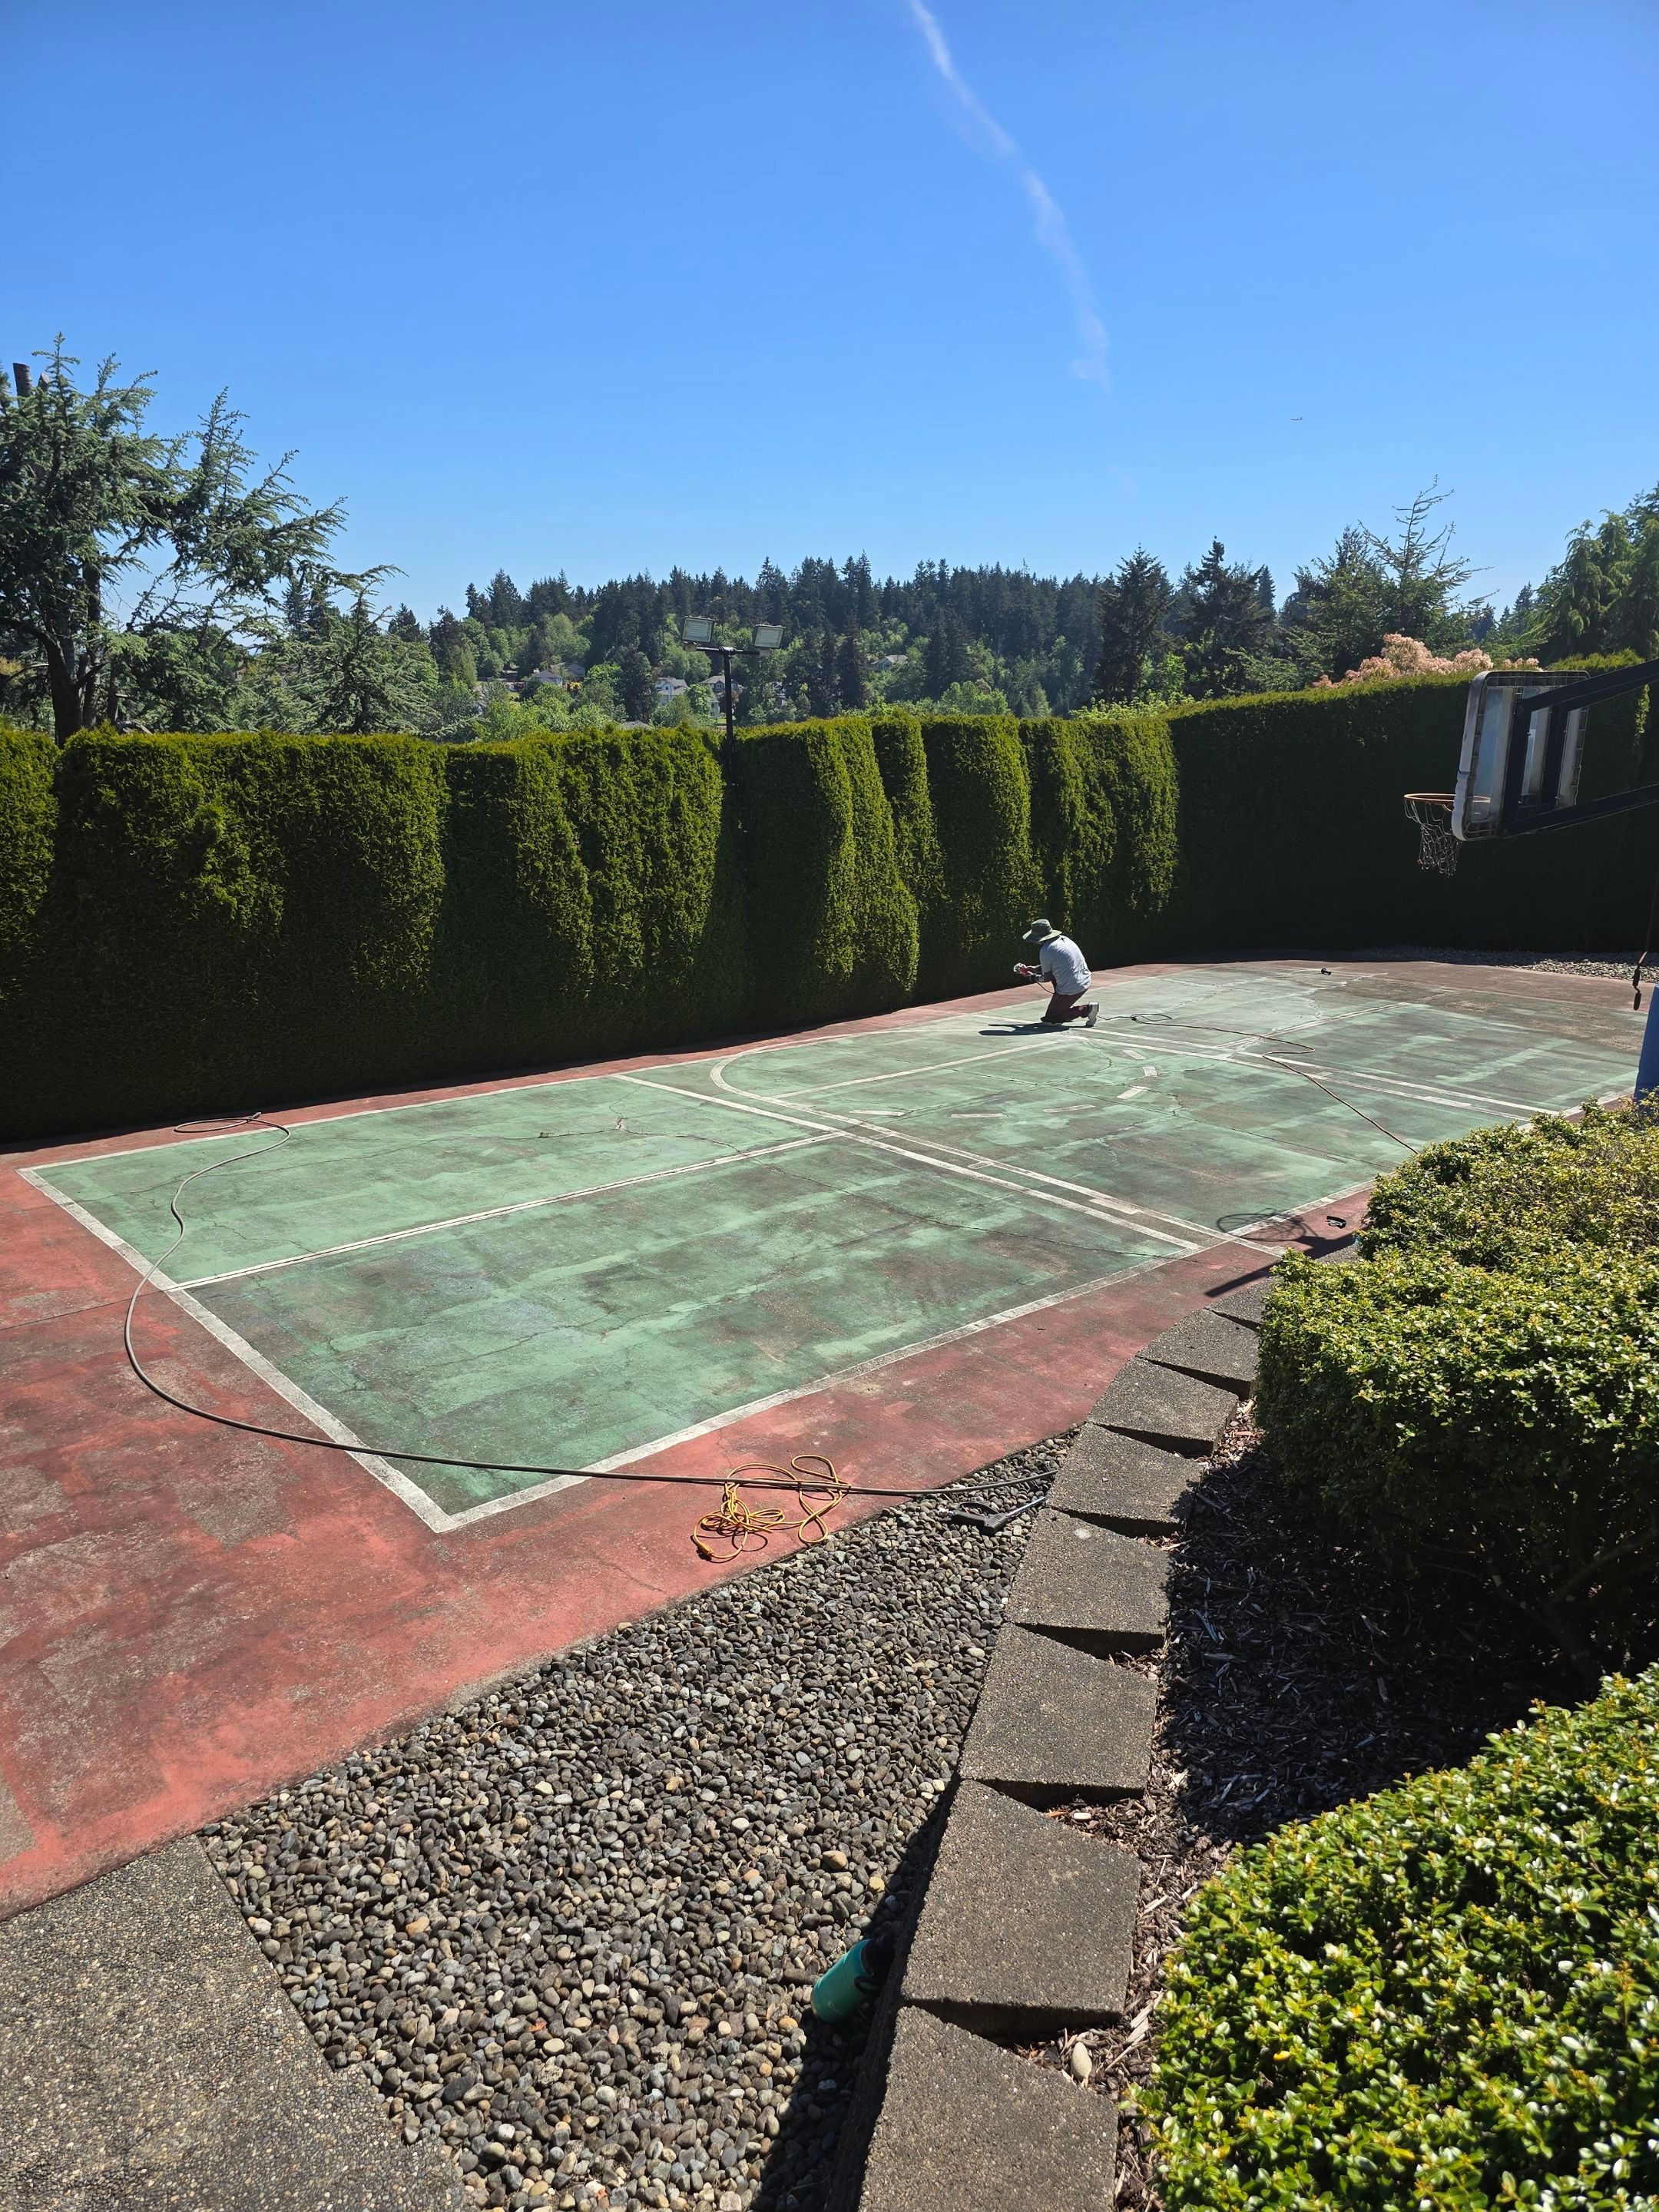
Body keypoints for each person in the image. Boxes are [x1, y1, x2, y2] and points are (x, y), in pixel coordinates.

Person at [1013, 919, 1099, 1027]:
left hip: (1072, 988)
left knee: (1051, 1018)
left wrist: (1031, 976)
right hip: (1085, 979)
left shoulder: (1046, 950)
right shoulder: (1064, 939)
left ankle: (1087, 1010)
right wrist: (1036, 968)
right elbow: (1059, 963)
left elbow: (1046, 978)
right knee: (1059, 1001)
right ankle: (1064, 1007)